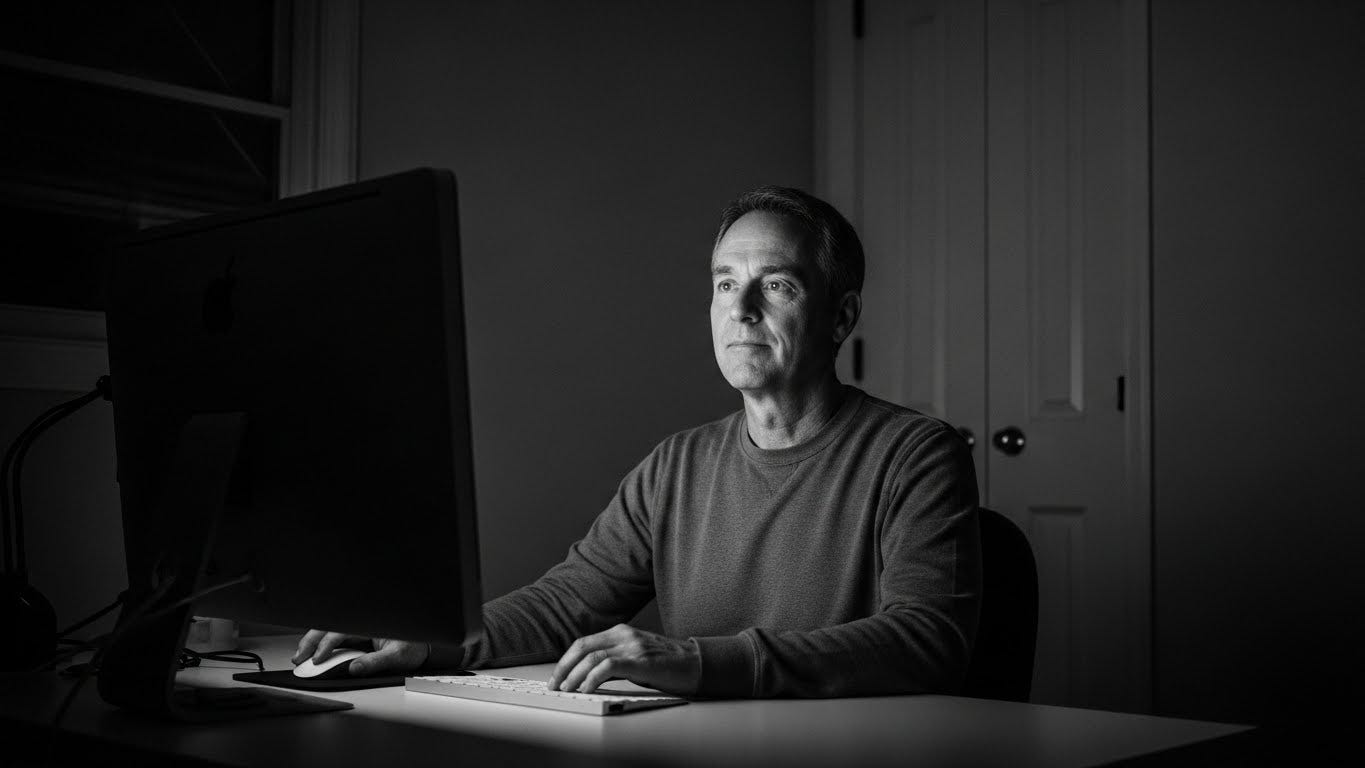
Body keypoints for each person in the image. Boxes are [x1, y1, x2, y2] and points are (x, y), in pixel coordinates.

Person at [294, 186, 982, 698]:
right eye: (724, 284)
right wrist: (432, 641)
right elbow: (565, 604)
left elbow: (927, 640)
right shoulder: (676, 466)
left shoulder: (917, 454)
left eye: (774, 285)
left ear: (841, 315)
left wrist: (695, 661)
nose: (740, 310)